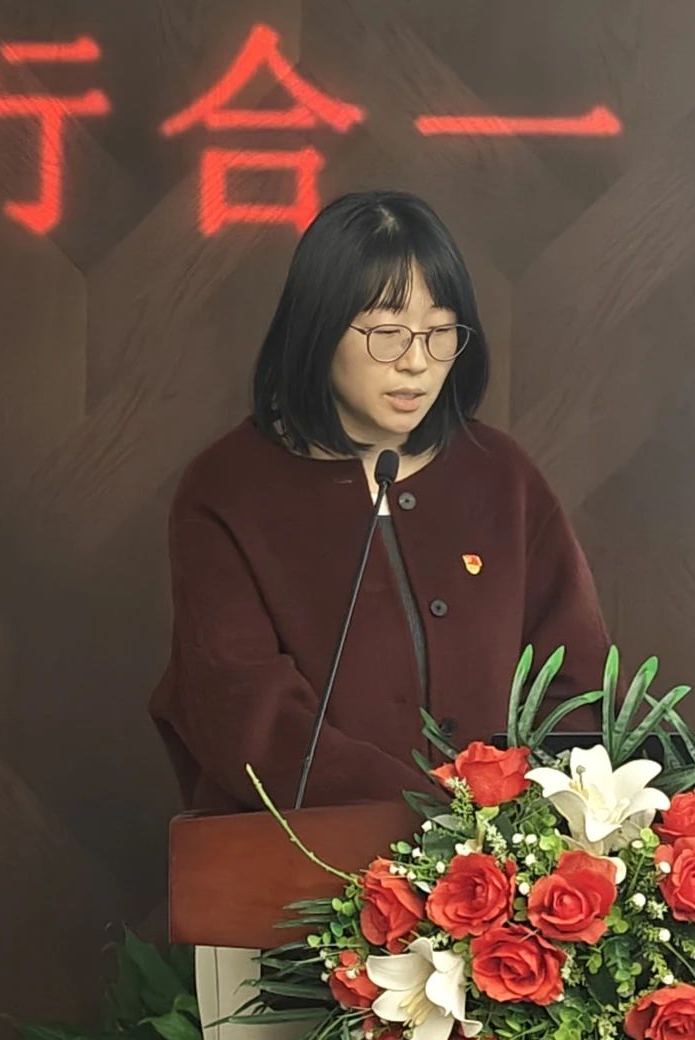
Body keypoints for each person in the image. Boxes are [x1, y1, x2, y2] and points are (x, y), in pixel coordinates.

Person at [150, 189, 611, 1038]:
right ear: (318, 328)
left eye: (440, 333)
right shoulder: (226, 491)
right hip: (296, 903)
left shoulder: (500, 474)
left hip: (506, 910)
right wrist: (437, 825)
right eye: (387, 333)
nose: (417, 365)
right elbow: (243, 711)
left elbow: (575, 679)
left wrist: (524, 834)